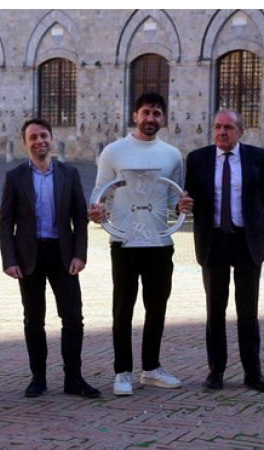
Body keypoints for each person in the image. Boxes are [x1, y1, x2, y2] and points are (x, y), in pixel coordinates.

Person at [87, 92, 183, 397]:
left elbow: (172, 201)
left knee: (157, 308)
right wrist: (96, 211)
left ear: (163, 118)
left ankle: (151, 368)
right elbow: (100, 193)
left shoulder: (172, 155)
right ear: (135, 116)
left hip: (160, 243)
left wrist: (184, 207)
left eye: (156, 113)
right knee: (123, 309)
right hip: (124, 242)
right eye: (146, 112)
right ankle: (122, 372)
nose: (150, 119)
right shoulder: (113, 152)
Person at [0, 117, 101, 399]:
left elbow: (80, 218)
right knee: (33, 319)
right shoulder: (15, 177)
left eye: (44, 136)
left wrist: (80, 254)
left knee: (72, 318)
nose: (39, 141)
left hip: (62, 254)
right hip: (29, 257)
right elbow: (6, 222)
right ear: (25, 143)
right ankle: (38, 378)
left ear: (52, 139)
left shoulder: (69, 174)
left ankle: (74, 378)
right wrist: (9, 259)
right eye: (33, 137)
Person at [178, 108, 264, 393]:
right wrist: (180, 205)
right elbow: (188, 197)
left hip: (246, 243)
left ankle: (253, 373)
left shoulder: (258, 157)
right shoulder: (198, 159)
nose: (222, 132)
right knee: (215, 310)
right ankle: (216, 371)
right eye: (218, 127)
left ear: (240, 132)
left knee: (248, 312)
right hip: (214, 242)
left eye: (229, 127)